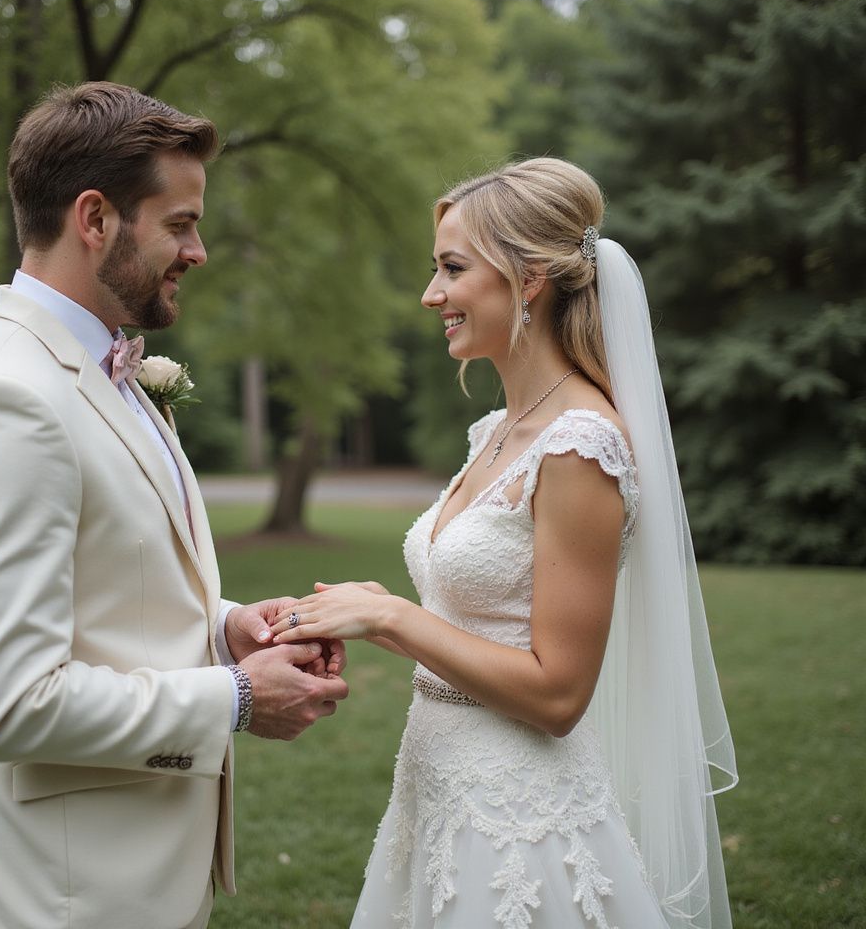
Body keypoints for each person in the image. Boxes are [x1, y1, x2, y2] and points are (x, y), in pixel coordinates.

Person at [0, 81, 348, 929]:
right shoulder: (8, 400)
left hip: (130, 878)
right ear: (95, 219)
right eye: (180, 224)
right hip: (61, 894)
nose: (200, 250)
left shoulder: (103, 368)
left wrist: (228, 626)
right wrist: (238, 698)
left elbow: (109, 581)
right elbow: (6, 702)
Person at [271, 157, 738, 928]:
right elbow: (482, 618)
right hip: (440, 787)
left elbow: (558, 693)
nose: (431, 295)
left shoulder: (579, 445)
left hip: (518, 815)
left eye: (452, 269)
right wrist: (376, 606)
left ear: (527, 280)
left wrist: (394, 622)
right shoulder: (497, 432)